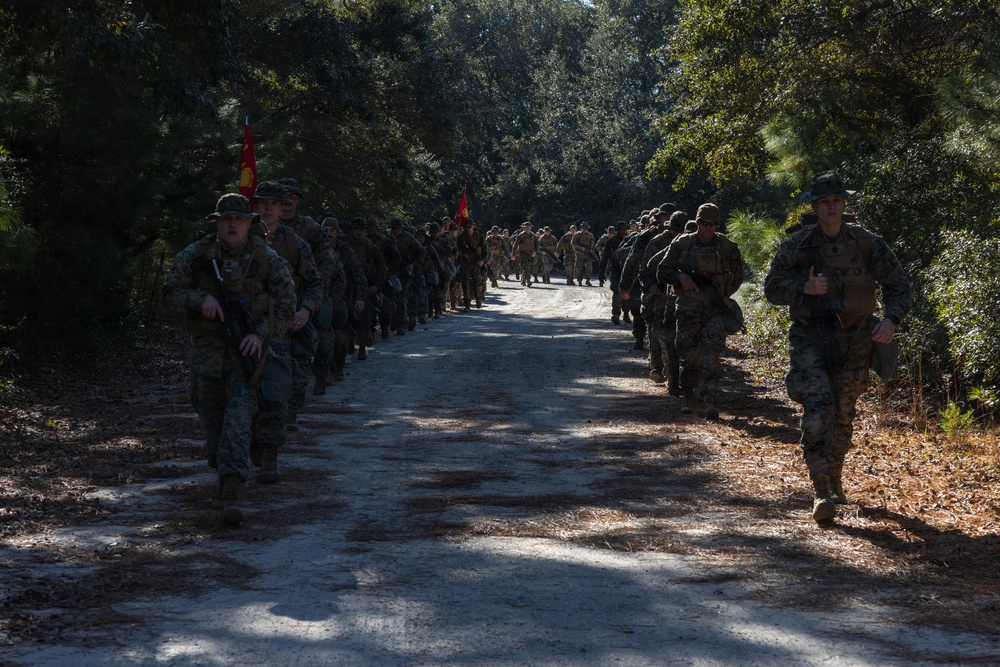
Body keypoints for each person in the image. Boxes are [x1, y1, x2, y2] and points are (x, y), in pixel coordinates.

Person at [765, 171, 911, 523]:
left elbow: (898, 284)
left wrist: (891, 320)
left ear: (844, 204)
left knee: (843, 414)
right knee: (818, 408)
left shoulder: (866, 243)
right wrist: (803, 288)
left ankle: (835, 477)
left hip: (855, 340)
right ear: (814, 206)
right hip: (810, 337)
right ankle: (820, 491)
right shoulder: (798, 245)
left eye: (836, 201)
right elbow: (771, 288)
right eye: (824, 202)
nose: (831, 207)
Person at [162, 193, 296, 525]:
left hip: (245, 358)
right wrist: (199, 299)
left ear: (249, 223)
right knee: (214, 429)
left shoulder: (266, 258)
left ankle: (231, 492)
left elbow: (286, 305)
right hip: (207, 358)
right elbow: (168, 296)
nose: (232, 225)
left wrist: (260, 334)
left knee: (237, 421)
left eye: (239, 219)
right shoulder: (196, 255)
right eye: (226, 219)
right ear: (217, 223)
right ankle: (225, 466)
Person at [250, 181, 322, 479]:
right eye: (263, 202)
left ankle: (269, 456)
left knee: (275, 394)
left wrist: (305, 310)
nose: (268, 208)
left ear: (282, 209)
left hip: (279, 329)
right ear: (254, 206)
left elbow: (314, 283)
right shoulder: (237, 238)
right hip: (240, 329)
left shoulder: (296, 244)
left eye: (275, 203)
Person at [655, 203, 743, 421]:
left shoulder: (726, 246)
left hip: (715, 310)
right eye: (704, 223)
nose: (708, 228)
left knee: (711, 355)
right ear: (697, 222)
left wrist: (723, 293)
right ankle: (688, 394)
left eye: (713, 224)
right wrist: (680, 277)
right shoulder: (682, 244)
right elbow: (661, 271)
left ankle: (708, 399)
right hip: (688, 309)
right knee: (689, 355)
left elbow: (738, 274)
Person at [456, 218, 486, 310]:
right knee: (465, 283)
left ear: (473, 226)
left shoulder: (479, 237)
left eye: (469, 227)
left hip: (476, 262)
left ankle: (478, 299)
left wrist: (482, 260)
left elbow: (485, 250)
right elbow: (460, 249)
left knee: (477, 282)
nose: (468, 228)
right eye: (466, 227)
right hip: (465, 262)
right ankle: (467, 304)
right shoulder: (461, 237)